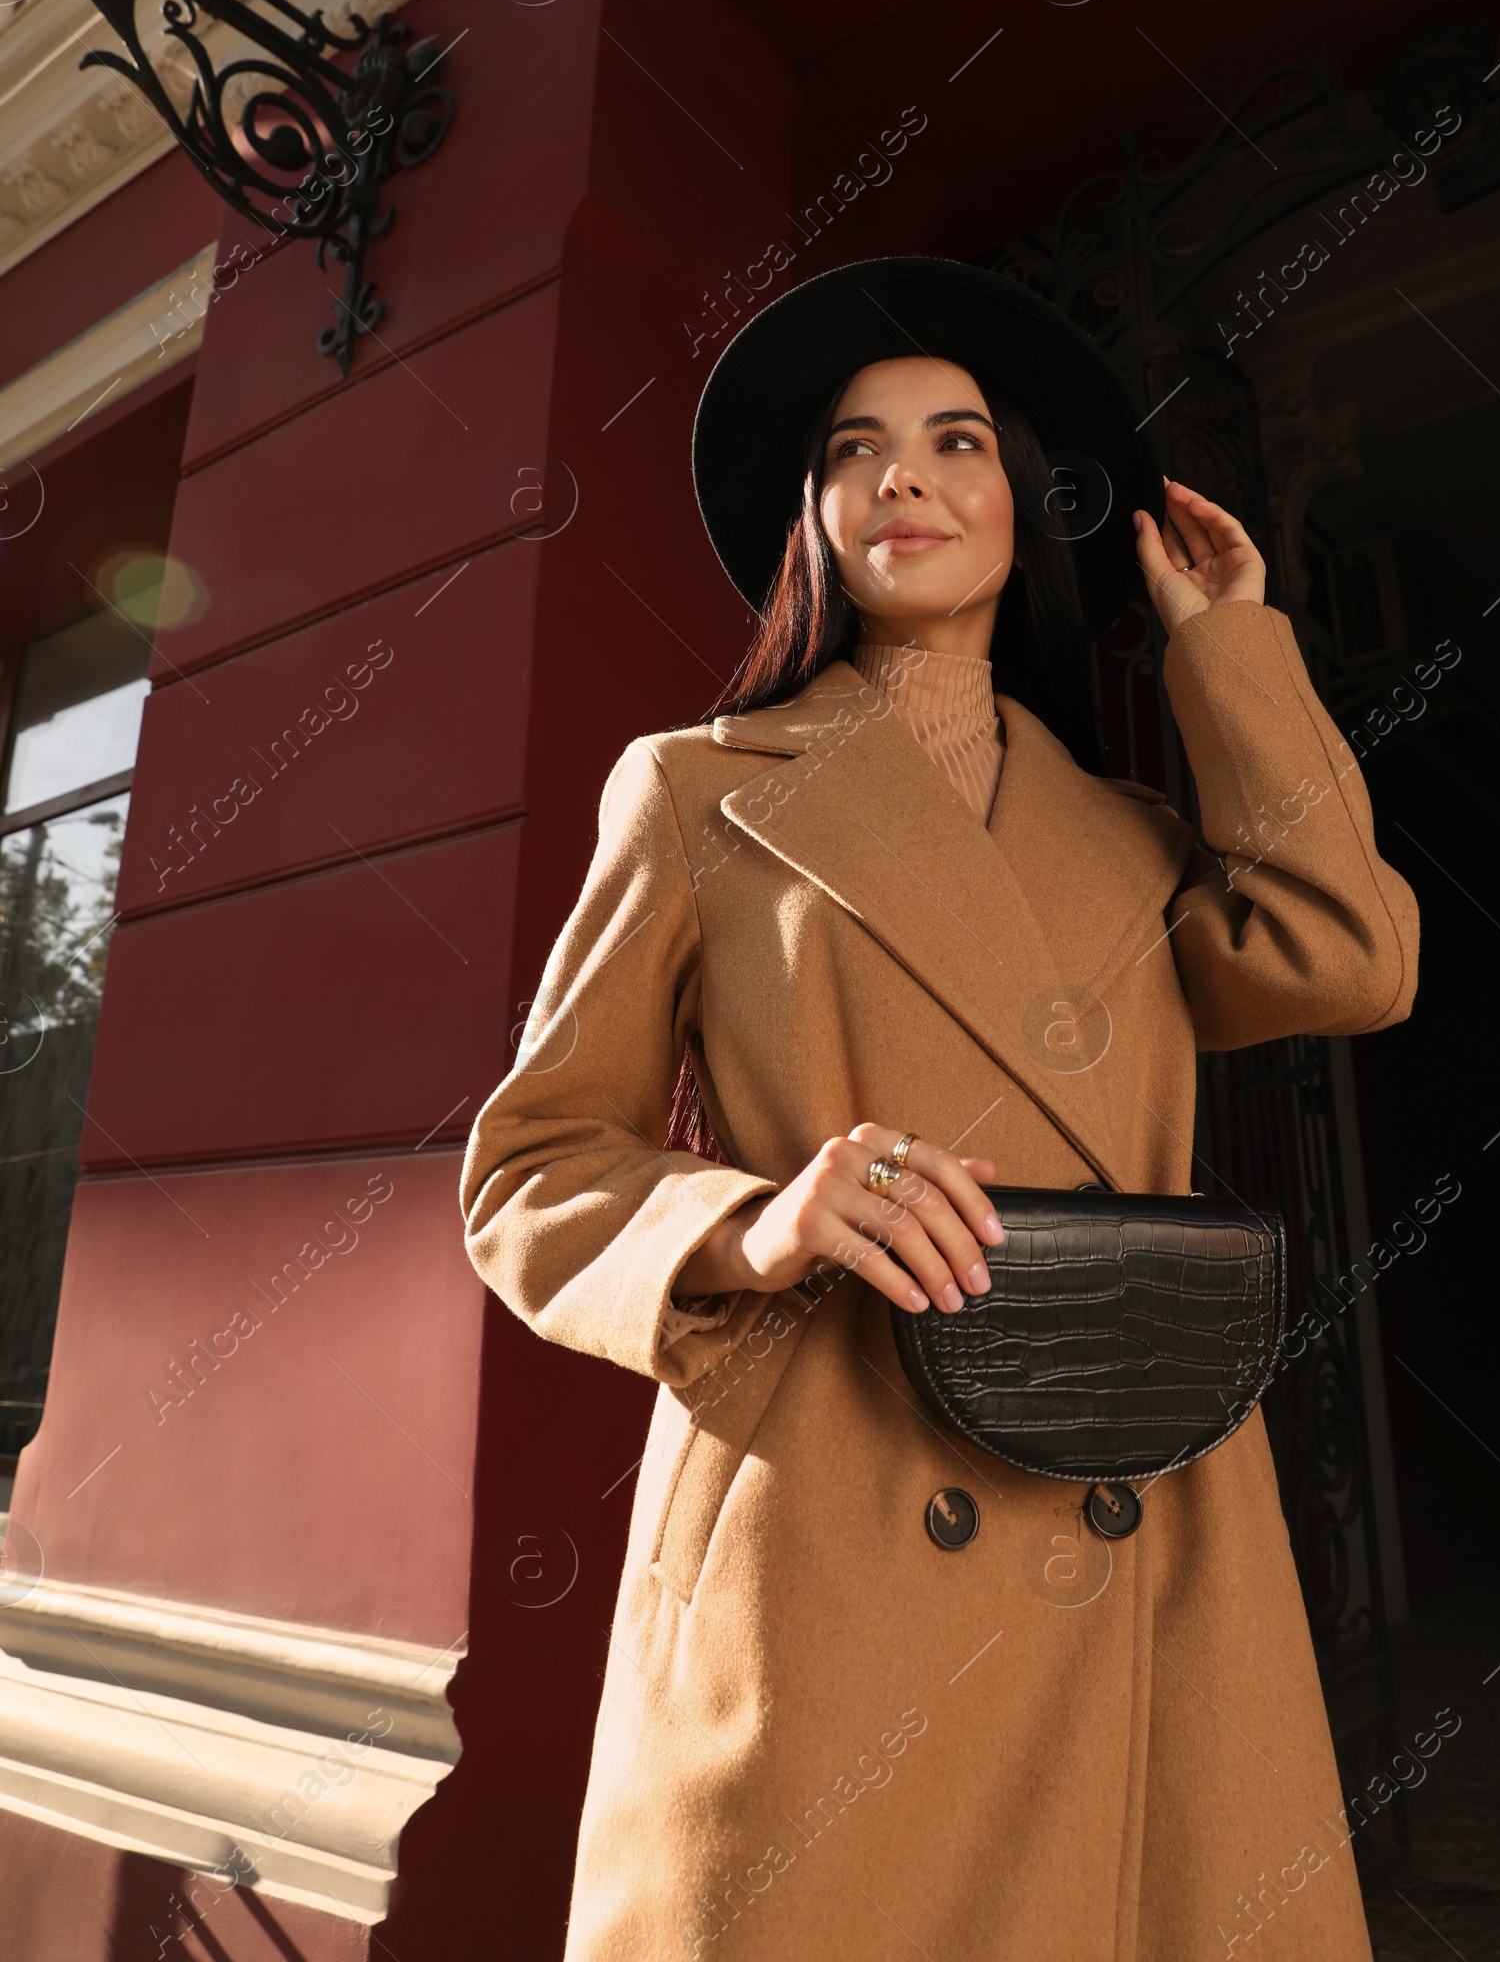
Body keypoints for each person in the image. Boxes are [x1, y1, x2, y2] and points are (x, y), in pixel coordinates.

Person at [460, 257, 1419, 1961]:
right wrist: (752, 1216)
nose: (903, 474)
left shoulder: (1129, 833)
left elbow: (1348, 961)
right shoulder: (694, 788)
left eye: (958, 439)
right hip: (833, 1528)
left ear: (1025, 505)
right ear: (812, 517)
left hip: (1137, 1509)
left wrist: (1233, 650)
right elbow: (529, 1169)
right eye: (855, 449)